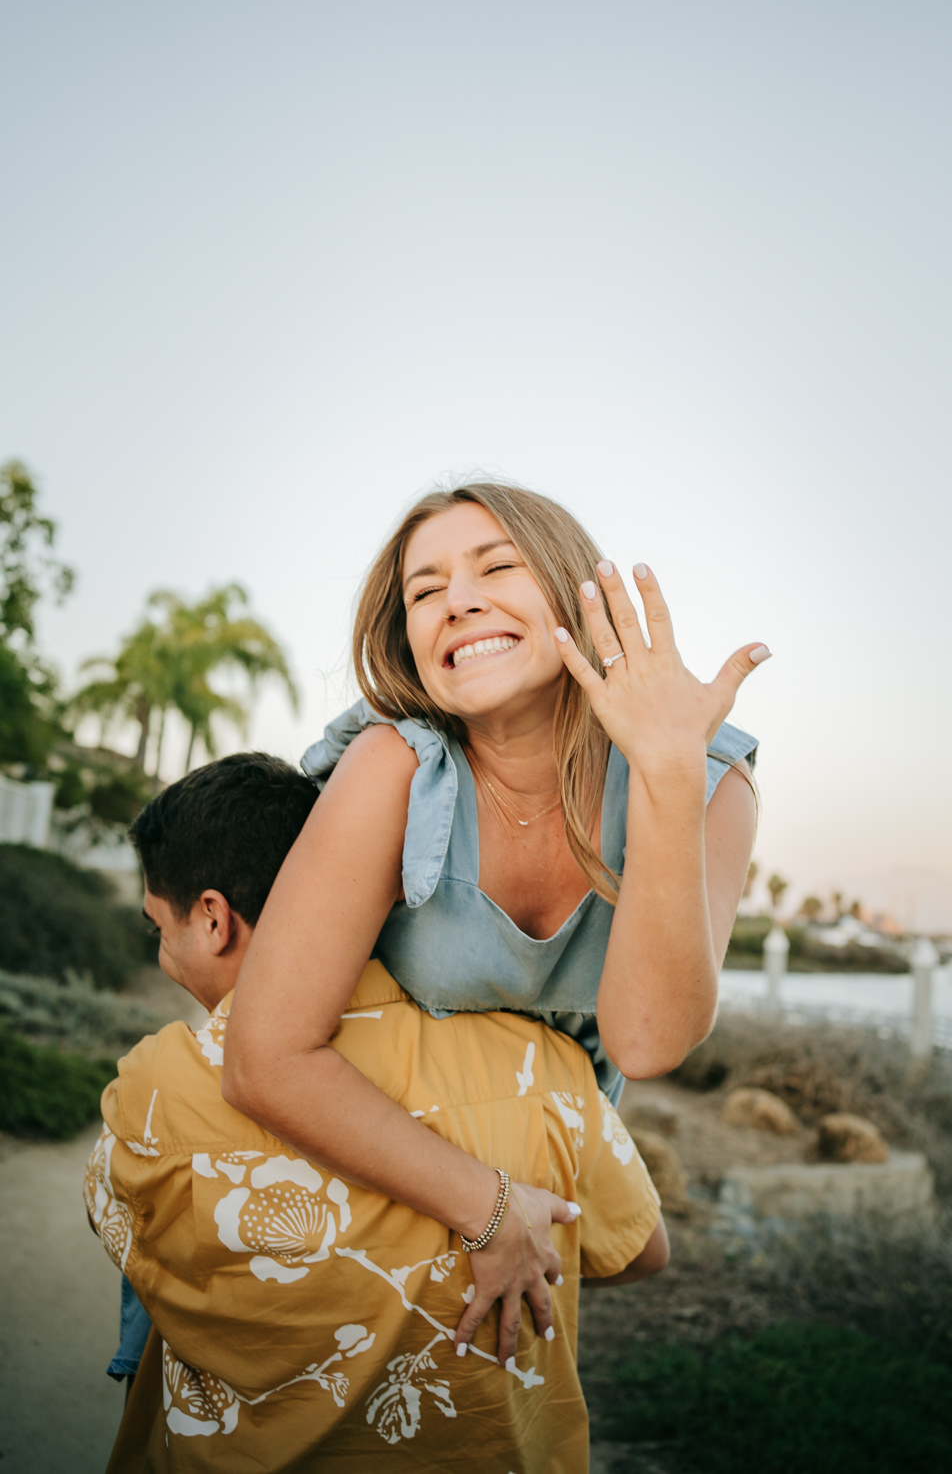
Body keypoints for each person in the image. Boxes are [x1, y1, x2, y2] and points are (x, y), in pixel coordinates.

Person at [223, 482, 763, 1363]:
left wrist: (664, 774)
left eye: (496, 567)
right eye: (424, 592)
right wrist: (485, 1204)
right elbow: (265, 1056)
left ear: (573, 591)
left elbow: (648, 1042)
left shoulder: (704, 781)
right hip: (374, 1151)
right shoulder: (394, 766)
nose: (457, 601)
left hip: (548, 1165)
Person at [87, 753, 666, 1473]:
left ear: (212, 918)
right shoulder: (544, 1065)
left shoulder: (157, 1090)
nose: (164, 953)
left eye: (157, 929)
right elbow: (642, 1251)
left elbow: (134, 1251)